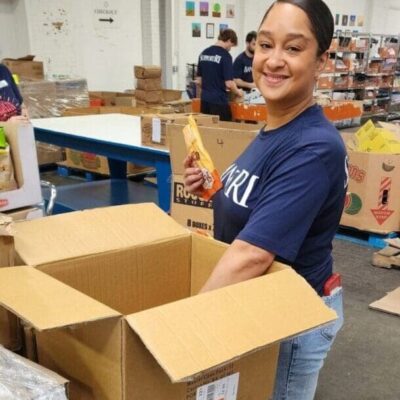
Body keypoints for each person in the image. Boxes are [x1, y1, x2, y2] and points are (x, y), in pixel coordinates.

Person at [184, 1, 347, 399]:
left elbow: (253, 255)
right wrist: (212, 187)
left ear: (321, 60)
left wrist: (181, 323)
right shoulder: (276, 125)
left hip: (289, 323)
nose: (273, 61)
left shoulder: (312, 147)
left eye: (293, 48)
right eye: (265, 44)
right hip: (257, 308)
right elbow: (259, 200)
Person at [197, 28, 243, 121]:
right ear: (229, 40)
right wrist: (238, 92)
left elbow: (199, 81)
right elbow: (229, 83)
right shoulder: (225, 56)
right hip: (219, 102)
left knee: (207, 131)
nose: (230, 49)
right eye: (231, 46)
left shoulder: (204, 53)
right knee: (223, 132)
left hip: (205, 101)